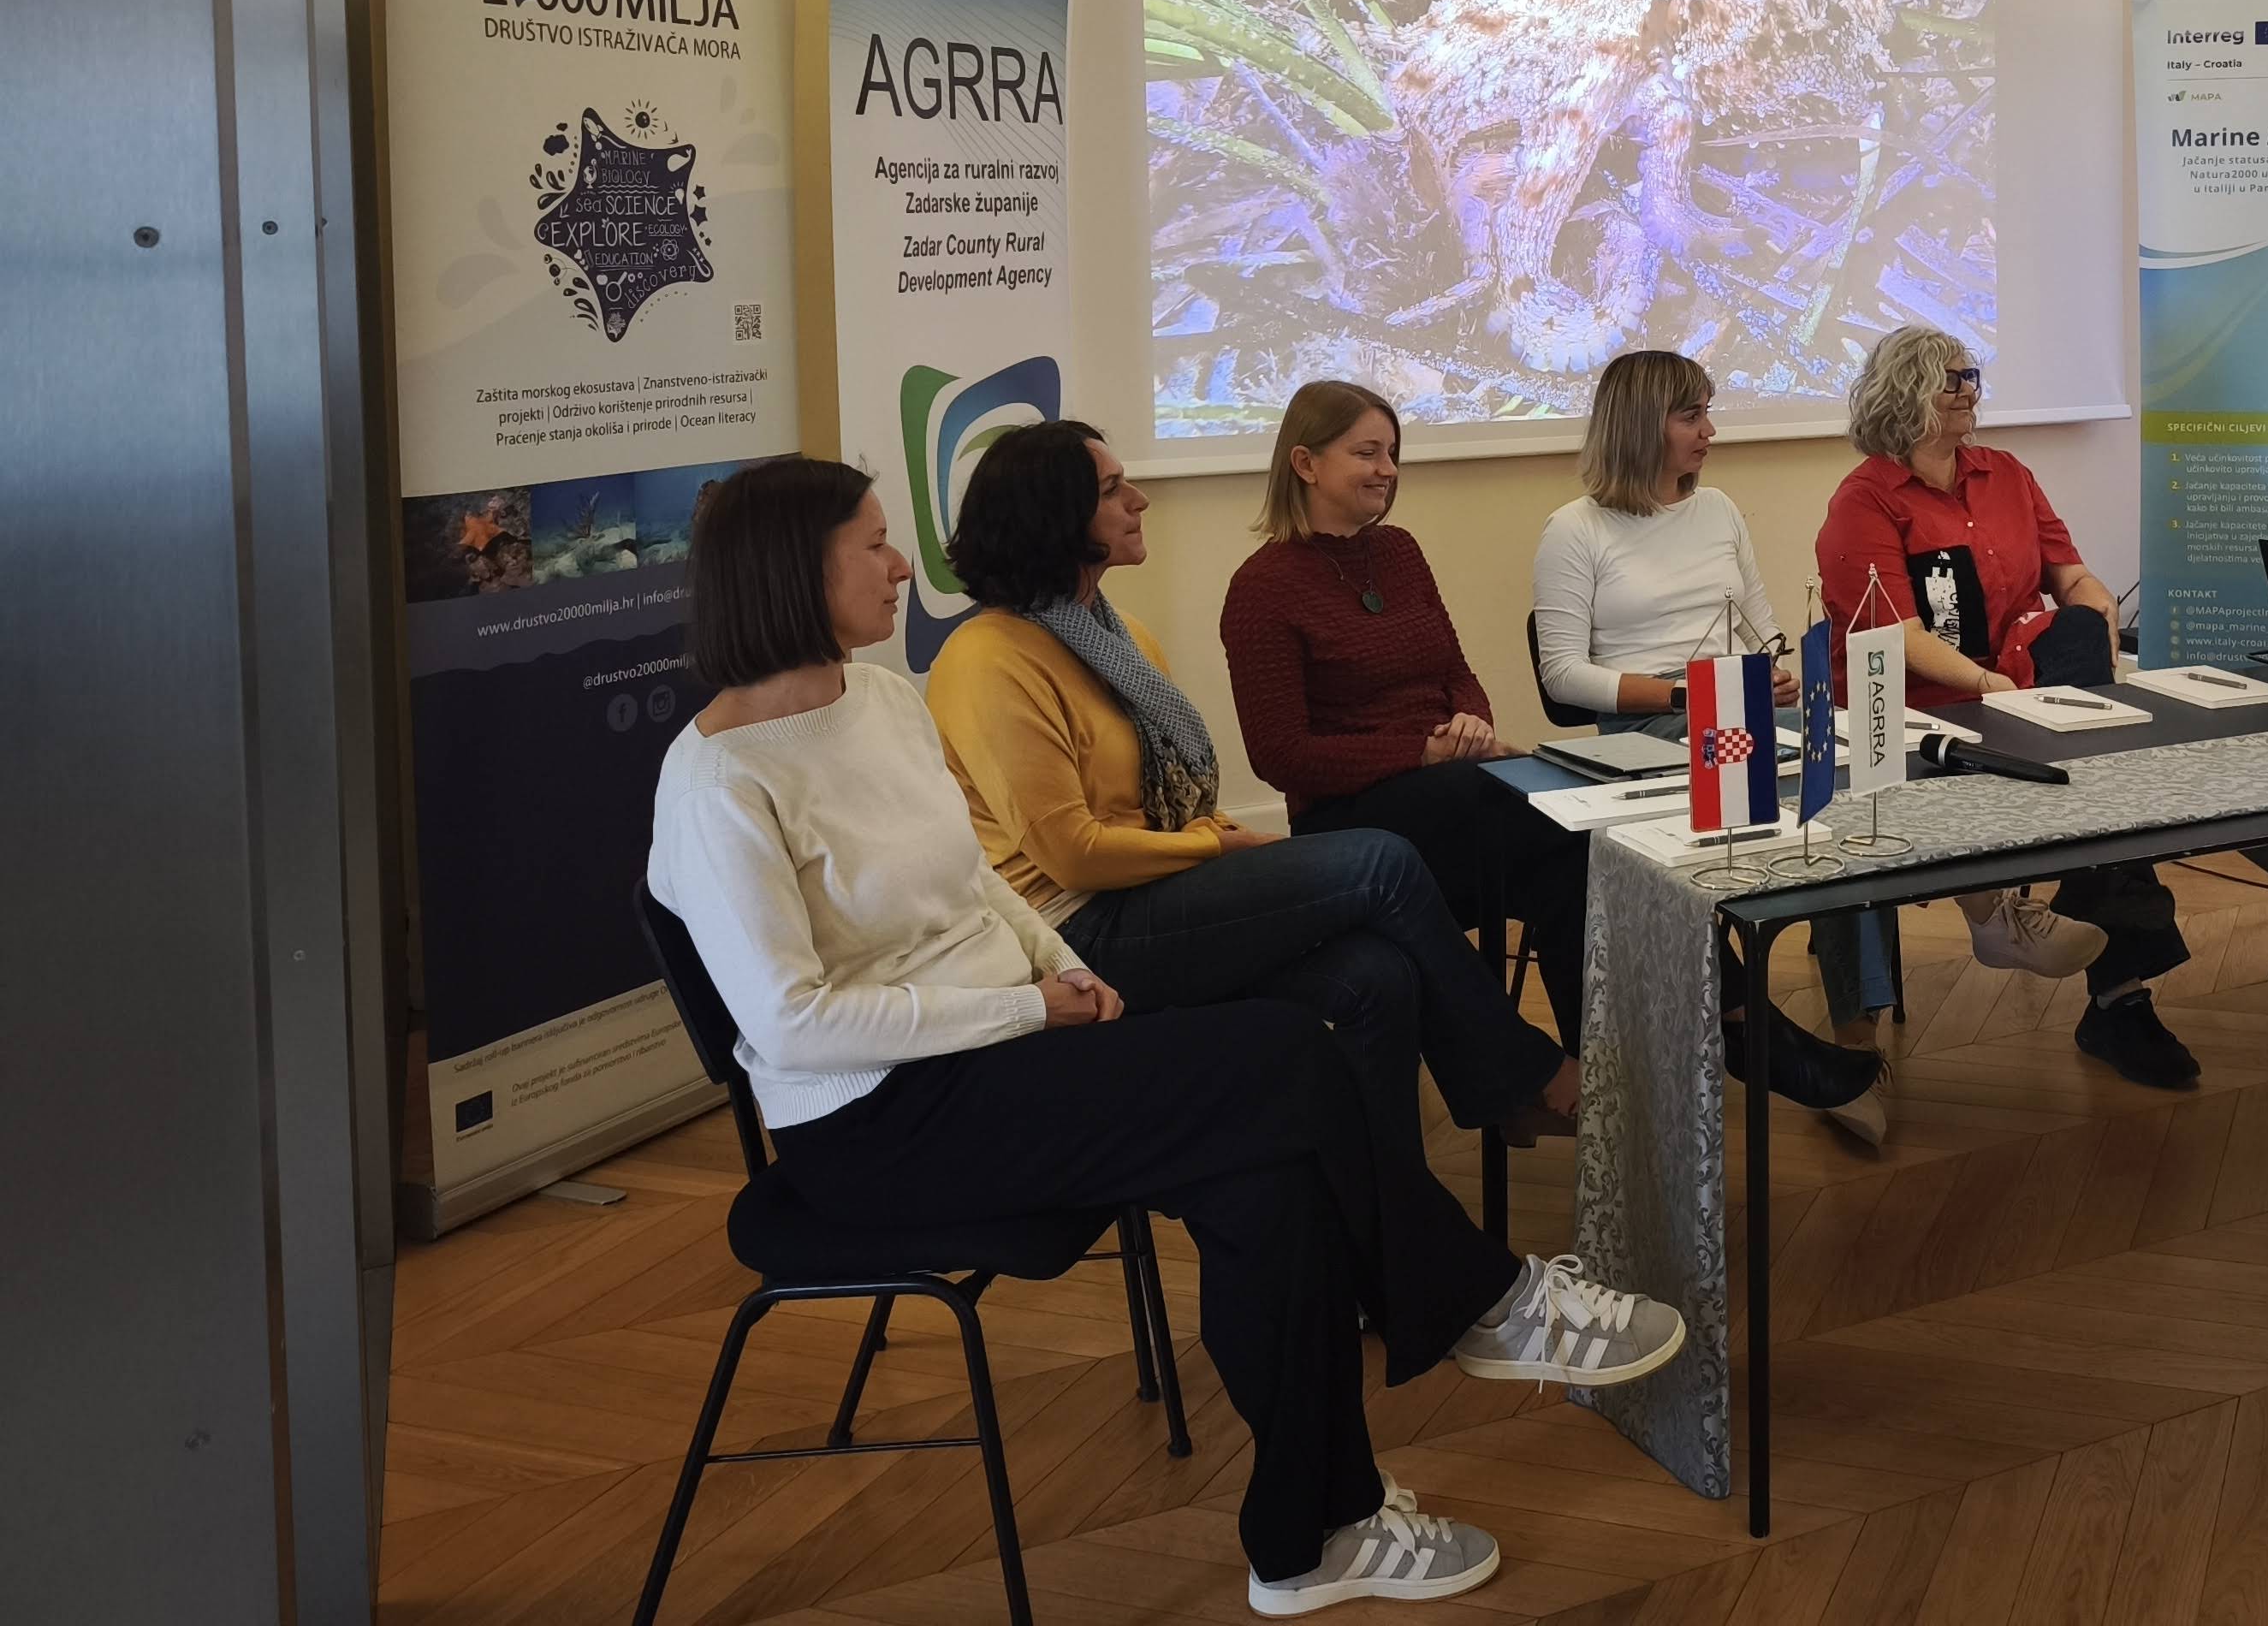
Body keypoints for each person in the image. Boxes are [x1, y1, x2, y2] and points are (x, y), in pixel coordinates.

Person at [644, 457, 1680, 1615]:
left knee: (1269, 1182)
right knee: (1286, 1055)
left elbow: (973, 879)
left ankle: (1310, 1537)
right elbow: (794, 1026)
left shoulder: (878, 699)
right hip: (880, 1121)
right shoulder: (717, 786)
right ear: (793, 571)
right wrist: (1027, 1006)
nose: (899, 566)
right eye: (873, 545)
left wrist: (1060, 966)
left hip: (1002, 1048)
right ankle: (1477, 1300)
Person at [928, 418, 1584, 1220]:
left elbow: (1178, 804)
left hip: (1157, 892)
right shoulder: (988, 657)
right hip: (1079, 931)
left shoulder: (1120, 636)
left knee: (1377, 975)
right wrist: (1221, 846)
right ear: (1051, 515)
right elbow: (1074, 856)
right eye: (1113, 490)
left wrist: (1226, 843)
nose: (1140, 501)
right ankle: (1521, 1077)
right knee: (1381, 861)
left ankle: (1388, 1230)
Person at [1220, 379, 1875, 1113]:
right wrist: (1424, 753)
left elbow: (1456, 674)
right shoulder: (1263, 587)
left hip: (1450, 794)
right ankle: (1742, 1025)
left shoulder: (1397, 552)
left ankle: (1606, 1088)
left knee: (1589, 860)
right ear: (1305, 463)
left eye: (1393, 453)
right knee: (1569, 825)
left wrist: (1471, 725)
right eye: (1366, 453)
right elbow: (1280, 756)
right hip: (1354, 823)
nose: (1387, 470)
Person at [1531, 348, 1915, 1143]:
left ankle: (1856, 1037)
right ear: (1642, 425)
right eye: (1691, 416)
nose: (1710, 431)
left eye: (1708, 412)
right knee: (1811, 795)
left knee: (1853, 783)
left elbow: (1759, 625)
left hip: (1737, 705)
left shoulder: (1720, 510)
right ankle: (1806, 1049)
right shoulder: (1574, 530)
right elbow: (1564, 674)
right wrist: (1688, 695)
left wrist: (1775, 669)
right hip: (1650, 726)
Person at [1814, 325, 2196, 1090]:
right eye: (1951, 379)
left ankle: (2102, 966)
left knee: (2093, 720)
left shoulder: (2006, 473)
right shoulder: (1865, 501)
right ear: (1905, 393)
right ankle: (2108, 987)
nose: (1970, 391)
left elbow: (2069, 575)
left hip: (2021, 688)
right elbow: (1896, 637)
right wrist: (1991, 688)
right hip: (1916, 711)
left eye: (1972, 376)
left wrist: (2096, 611)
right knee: (2100, 788)